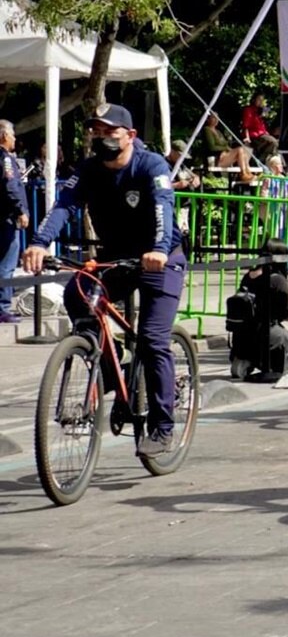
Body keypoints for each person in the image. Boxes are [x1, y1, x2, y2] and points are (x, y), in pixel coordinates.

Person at [22, 103, 186, 458]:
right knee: (77, 293)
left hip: (161, 260)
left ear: (130, 136)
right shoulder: (89, 170)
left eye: (109, 132)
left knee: (153, 341)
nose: (101, 138)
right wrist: (38, 242)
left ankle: (162, 426)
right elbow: (63, 204)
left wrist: (158, 249)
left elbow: (162, 206)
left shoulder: (150, 165)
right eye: (95, 132)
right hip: (117, 257)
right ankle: (107, 368)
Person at [228, 238, 288, 382]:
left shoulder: (248, 275)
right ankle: (268, 363)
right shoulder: (277, 279)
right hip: (267, 333)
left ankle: (246, 359)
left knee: (281, 337)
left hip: (242, 336)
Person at [0, 119, 30, 324]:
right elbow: (11, 186)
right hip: (6, 219)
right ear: (3, 137)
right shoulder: (6, 159)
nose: (14, 139)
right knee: (6, 263)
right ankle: (2, 307)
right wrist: (21, 211)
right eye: (12, 135)